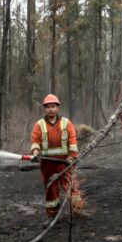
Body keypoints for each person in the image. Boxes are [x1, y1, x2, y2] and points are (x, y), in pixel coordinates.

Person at [31, 94, 84, 223]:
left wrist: (72, 157)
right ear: (45, 109)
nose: (50, 109)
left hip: (65, 163)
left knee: (71, 186)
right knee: (51, 190)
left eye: (53, 106)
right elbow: (35, 141)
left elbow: (72, 141)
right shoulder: (39, 125)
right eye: (48, 107)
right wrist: (36, 152)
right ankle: (52, 215)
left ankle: (78, 210)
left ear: (57, 107)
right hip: (47, 164)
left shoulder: (66, 123)